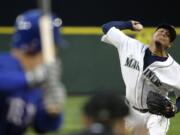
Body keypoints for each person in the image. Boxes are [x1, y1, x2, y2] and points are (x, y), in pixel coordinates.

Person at [101, 20, 180, 135]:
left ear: (169, 45)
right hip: (130, 111)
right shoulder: (130, 46)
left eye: (168, 35)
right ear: (153, 35)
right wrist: (128, 25)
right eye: (161, 31)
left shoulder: (175, 70)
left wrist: (175, 108)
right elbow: (106, 27)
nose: (163, 33)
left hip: (156, 116)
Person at [0, 9, 66, 135]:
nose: (55, 55)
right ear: (34, 47)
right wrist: (31, 79)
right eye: (54, 48)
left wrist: (52, 112)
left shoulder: (36, 84)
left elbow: (41, 126)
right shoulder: (4, 64)